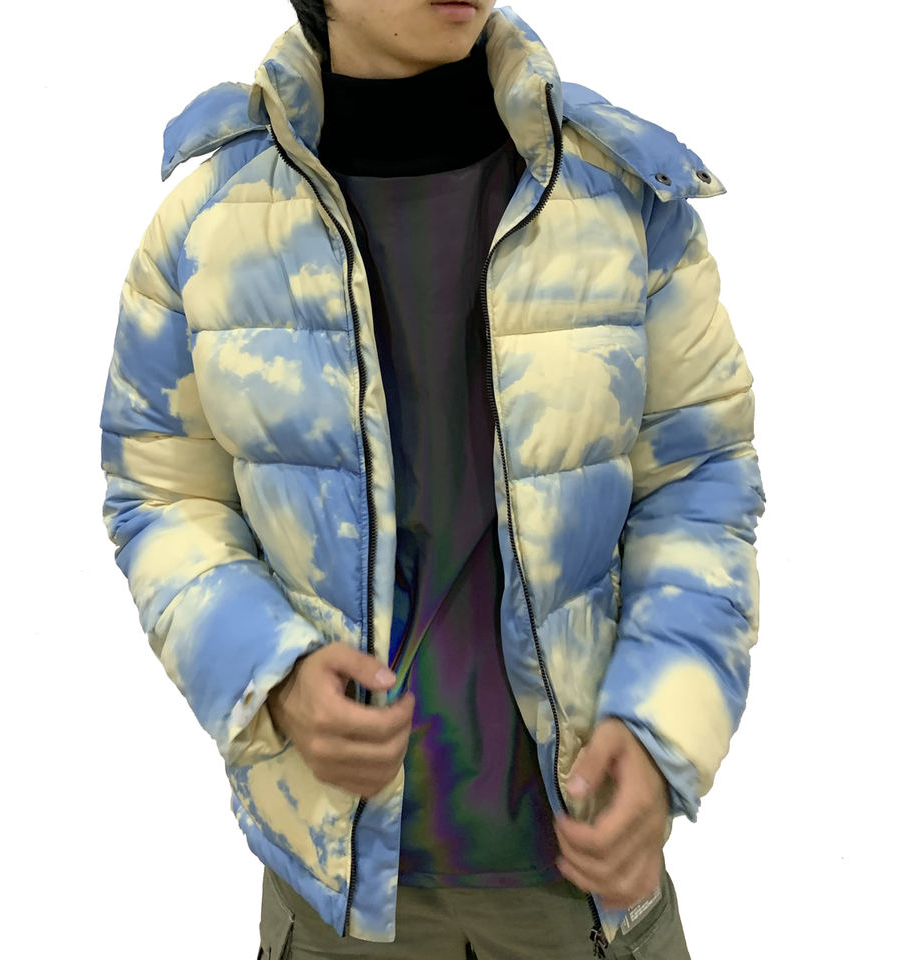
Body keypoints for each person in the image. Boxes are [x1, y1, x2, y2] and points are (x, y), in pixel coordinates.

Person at [98, 1, 766, 957]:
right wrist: (268, 674)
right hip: (335, 892)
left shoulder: (619, 198)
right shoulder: (209, 224)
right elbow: (162, 494)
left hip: (580, 881)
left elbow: (699, 483)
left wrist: (665, 726)